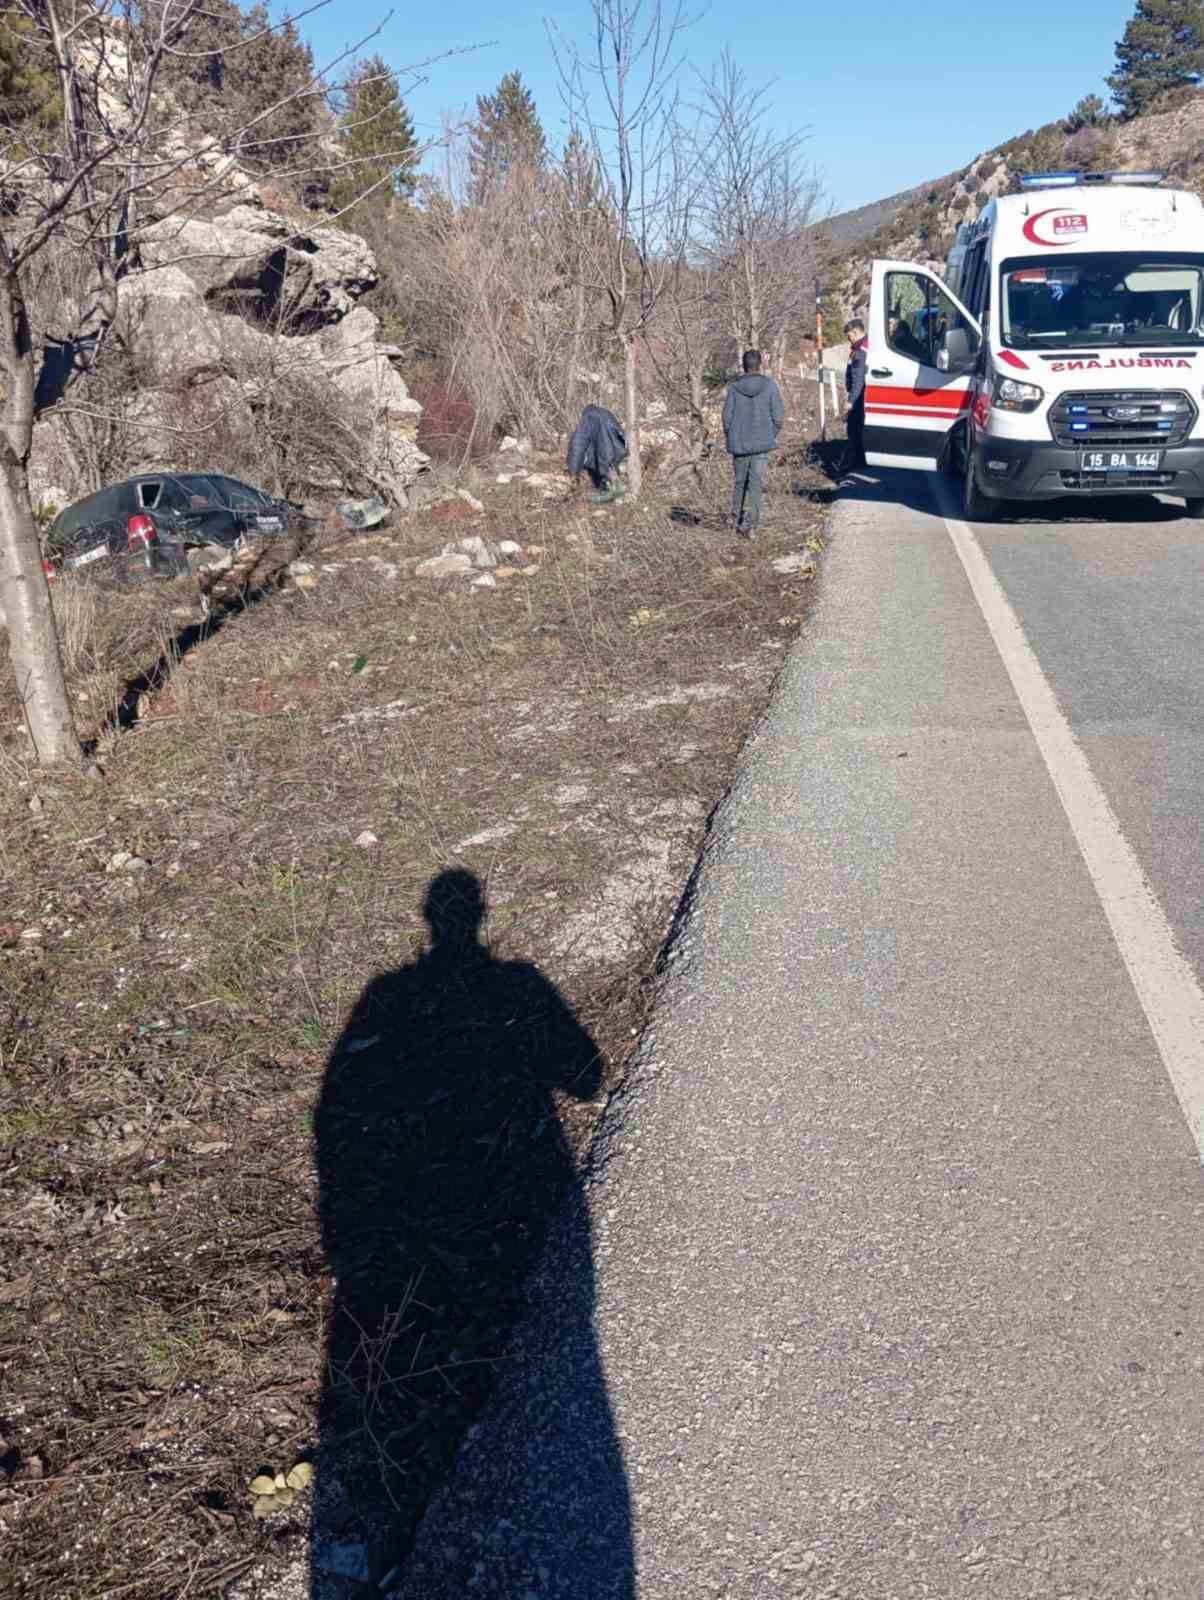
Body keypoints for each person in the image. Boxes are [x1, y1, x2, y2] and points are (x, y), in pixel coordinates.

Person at [722, 349, 785, 540]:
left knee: (740, 483)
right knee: (755, 485)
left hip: (739, 443)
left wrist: (731, 436)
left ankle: (735, 519)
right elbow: (778, 417)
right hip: (761, 444)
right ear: (760, 364)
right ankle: (751, 526)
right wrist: (769, 435)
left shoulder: (734, 388)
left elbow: (726, 418)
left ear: (743, 365)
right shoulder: (770, 386)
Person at [567, 404, 628, 503]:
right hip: (620, 451)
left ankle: (612, 496)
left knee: (612, 487)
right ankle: (618, 494)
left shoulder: (589, 418)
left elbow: (577, 444)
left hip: (607, 458)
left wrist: (573, 472)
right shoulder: (606, 414)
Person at [843, 318, 868, 473]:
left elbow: (858, 379)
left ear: (856, 332)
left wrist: (851, 401)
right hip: (862, 395)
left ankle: (859, 462)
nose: (848, 339)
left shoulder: (860, 351)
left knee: (854, 429)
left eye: (849, 336)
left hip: (859, 398)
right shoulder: (863, 346)